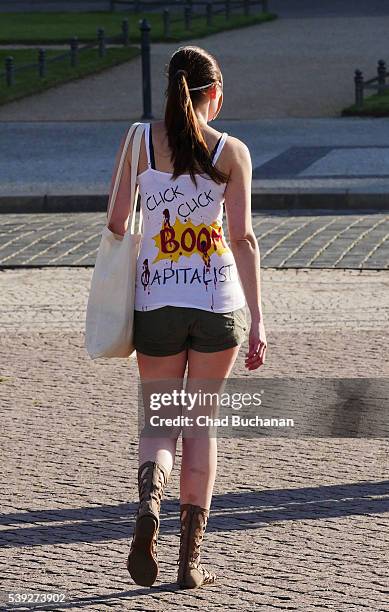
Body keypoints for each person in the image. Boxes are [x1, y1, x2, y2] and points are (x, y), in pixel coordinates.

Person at [107, 44, 267, 590]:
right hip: (218, 305)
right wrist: (260, 321)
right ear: (213, 95)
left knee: (159, 424)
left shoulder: (139, 141)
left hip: (156, 303)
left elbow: (116, 219)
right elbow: (243, 239)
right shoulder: (232, 151)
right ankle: (189, 561)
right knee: (200, 427)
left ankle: (150, 503)